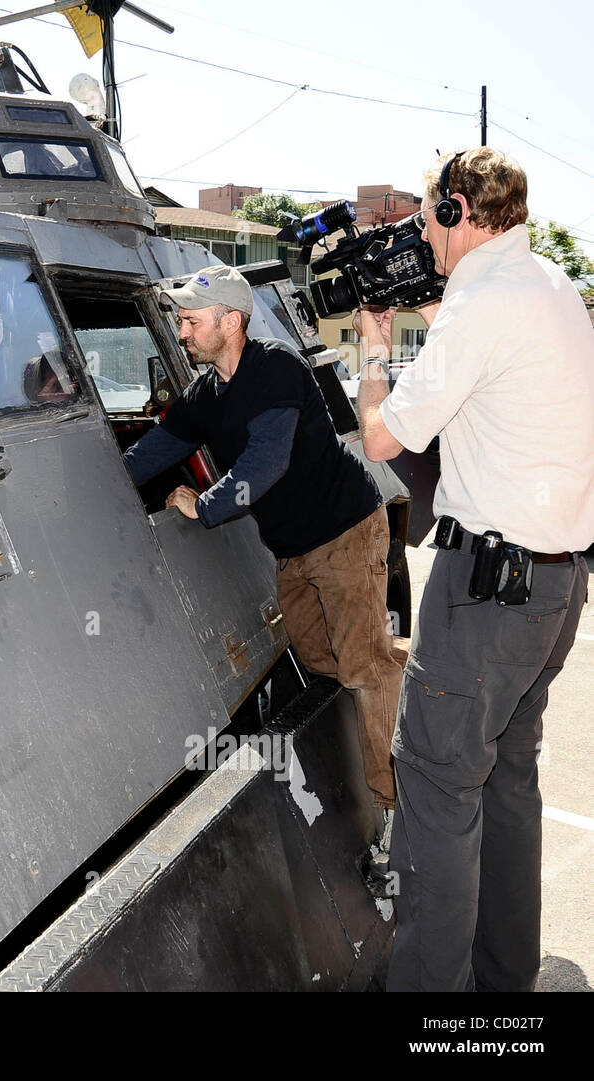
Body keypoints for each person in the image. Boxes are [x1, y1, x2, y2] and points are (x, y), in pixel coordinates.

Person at [355, 147, 594, 992]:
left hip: (488, 592)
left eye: (427, 220)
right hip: (556, 585)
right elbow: (492, 354)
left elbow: (384, 438)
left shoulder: (481, 304)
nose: (424, 235)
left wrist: (372, 351)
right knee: (508, 779)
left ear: (457, 212)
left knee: (434, 788)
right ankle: (503, 987)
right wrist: (437, 305)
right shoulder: (551, 286)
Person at [124, 265, 404, 835]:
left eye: (189, 320)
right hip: (294, 549)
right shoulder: (207, 393)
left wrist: (203, 507)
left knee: (361, 668)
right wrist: (102, 492)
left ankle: (397, 806)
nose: (180, 331)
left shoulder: (277, 368)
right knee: (320, 660)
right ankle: (395, 672)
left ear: (231, 322)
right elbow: (154, 450)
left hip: (345, 528)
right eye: (180, 319)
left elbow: (264, 465)